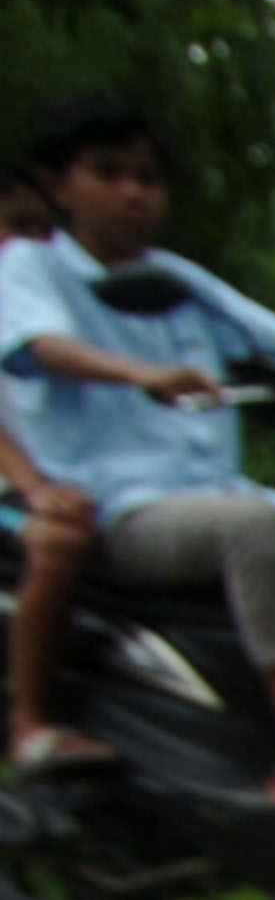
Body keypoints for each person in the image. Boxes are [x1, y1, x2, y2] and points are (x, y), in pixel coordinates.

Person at [0, 96, 275, 811]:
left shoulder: (178, 278)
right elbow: (41, 347)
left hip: (215, 489)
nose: (134, 192)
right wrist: (140, 374)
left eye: (147, 177)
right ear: (60, 186)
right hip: (118, 507)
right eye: (109, 174)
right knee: (251, 529)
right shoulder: (29, 271)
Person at [0, 157, 108, 775]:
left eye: (40, 231)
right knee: (58, 542)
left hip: (82, 478)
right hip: (22, 492)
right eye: (14, 228)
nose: (27, 247)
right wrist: (34, 487)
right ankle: (30, 721)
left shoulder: (70, 303)